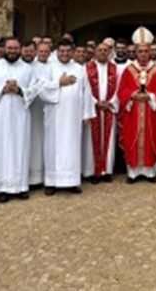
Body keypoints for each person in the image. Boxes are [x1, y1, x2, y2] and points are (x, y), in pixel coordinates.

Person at [0, 38, 37, 203]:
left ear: (20, 49)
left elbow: (34, 89)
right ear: (3, 49)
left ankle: (20, 187)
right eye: (9, 48)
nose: (12, 51)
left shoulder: (27, 69)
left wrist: (19, 90)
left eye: (15, 48)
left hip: (20, 116)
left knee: (20, 148)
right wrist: (2, 89)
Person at [39, 39, 95, 195]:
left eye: (67, 51)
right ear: (56, 52)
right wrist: (59, 83)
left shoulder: (79, 68)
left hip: (73, 116)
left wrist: (86, 114)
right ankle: (51, 182)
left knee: (73, 146)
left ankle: (72, 181)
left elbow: (86, 92)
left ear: (72, 52)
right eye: (61, 51)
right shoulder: (48, 68)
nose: (64, 54)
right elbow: (41, 90)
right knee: (52, 147)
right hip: (54, 116)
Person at [118, 27, 156, 183]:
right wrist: (132, 95)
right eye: (140, 51)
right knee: (133, 139)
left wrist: (150, 96)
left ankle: (150, 173)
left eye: (146, 51)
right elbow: (122, 90)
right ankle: (133, 173)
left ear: (150, 52)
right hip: (133, 114)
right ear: (136, 52)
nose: (143, 54)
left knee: (150, 139)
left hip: (151, 113)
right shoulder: (128, 70)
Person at [83, 43, 119, 183]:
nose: (103, 52)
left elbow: (119, 87)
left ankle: (106, 171)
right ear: (95, 52)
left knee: (108, 141)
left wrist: (111, 102)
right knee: (91, 141)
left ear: (109, 52)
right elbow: (85, 89)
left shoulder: (115, 68)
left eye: (106, 50)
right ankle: (92, 171)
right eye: (100, 50)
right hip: (93, 109)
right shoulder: (87, 68)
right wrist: (95, 102)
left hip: (109, 109)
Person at [29, 41, 52, 186]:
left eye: (46, 51)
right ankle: (34, 177)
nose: (43, 53)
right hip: (35, 109)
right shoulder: (31, 67)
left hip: (50, 108)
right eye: (41, 51)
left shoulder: (52, 66)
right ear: (37, 52)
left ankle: (47, 174)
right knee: (35, 141)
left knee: (48, 141)